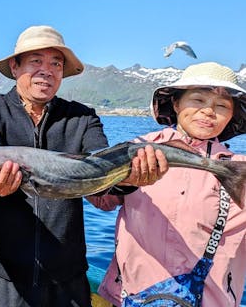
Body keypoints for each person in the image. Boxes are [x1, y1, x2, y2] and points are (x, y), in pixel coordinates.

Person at [0, 25, 167, 307]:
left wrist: (131, 179)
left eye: (55, 63)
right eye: (36, 61)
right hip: (2, 276)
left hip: (67, 278)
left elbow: (102, 171)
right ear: (14, 66)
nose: (47, 70)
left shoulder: (82, 117)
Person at [89, 62, 246, 306]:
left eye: (222, 106)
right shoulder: (138, 148)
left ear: (231, 116)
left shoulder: (239, 169)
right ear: (176, 103)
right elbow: (100, 198)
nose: (208, 111)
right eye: (198, 100)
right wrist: (123, 182)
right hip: (128, 297)